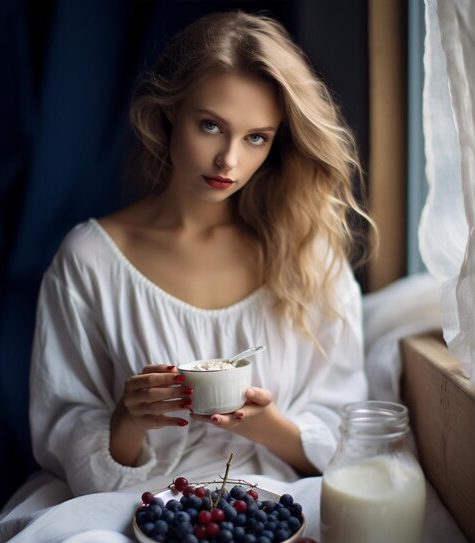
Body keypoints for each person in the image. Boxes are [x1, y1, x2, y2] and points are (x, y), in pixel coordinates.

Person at [29, 10, 373, 497]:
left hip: (279, 506)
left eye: (256, 138)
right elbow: (62, 430)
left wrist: (264, 426)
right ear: (170, 112)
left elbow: (346, 439)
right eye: (210, 126)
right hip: (132, 503)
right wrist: (129, 419)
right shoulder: (90, 260)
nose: (229, 160)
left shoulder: (308, 254)